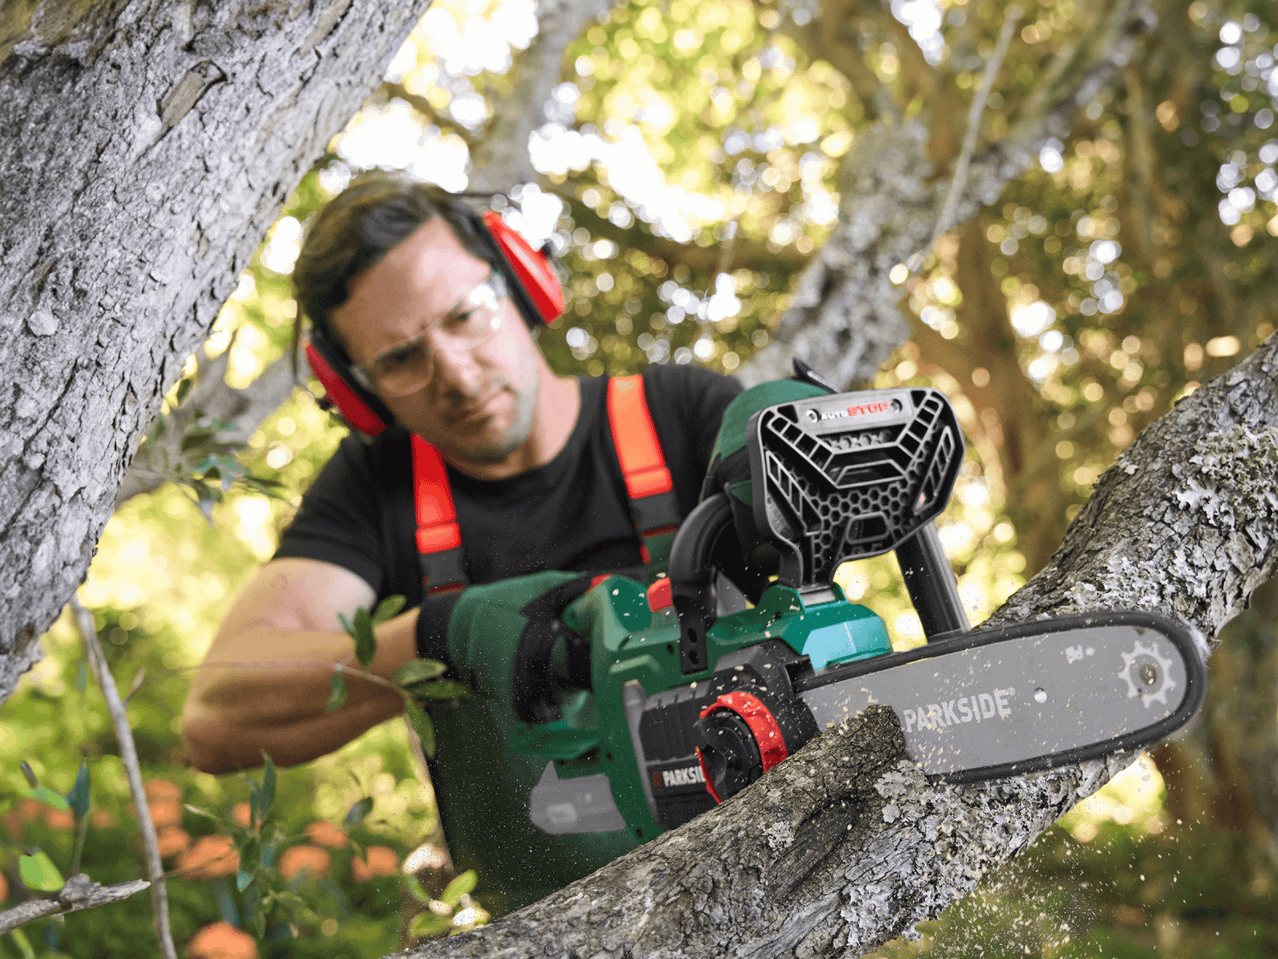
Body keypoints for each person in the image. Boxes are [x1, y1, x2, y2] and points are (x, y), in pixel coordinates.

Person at [180, 171, 742, 912]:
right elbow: (215, 717)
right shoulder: (378, 490)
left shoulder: (683, 414)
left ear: (521, 284)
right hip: (543, 928)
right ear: (358, 391)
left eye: (466, 315)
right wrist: (438, 638)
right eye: (400, 360)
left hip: (762, 877)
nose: (454, 372)